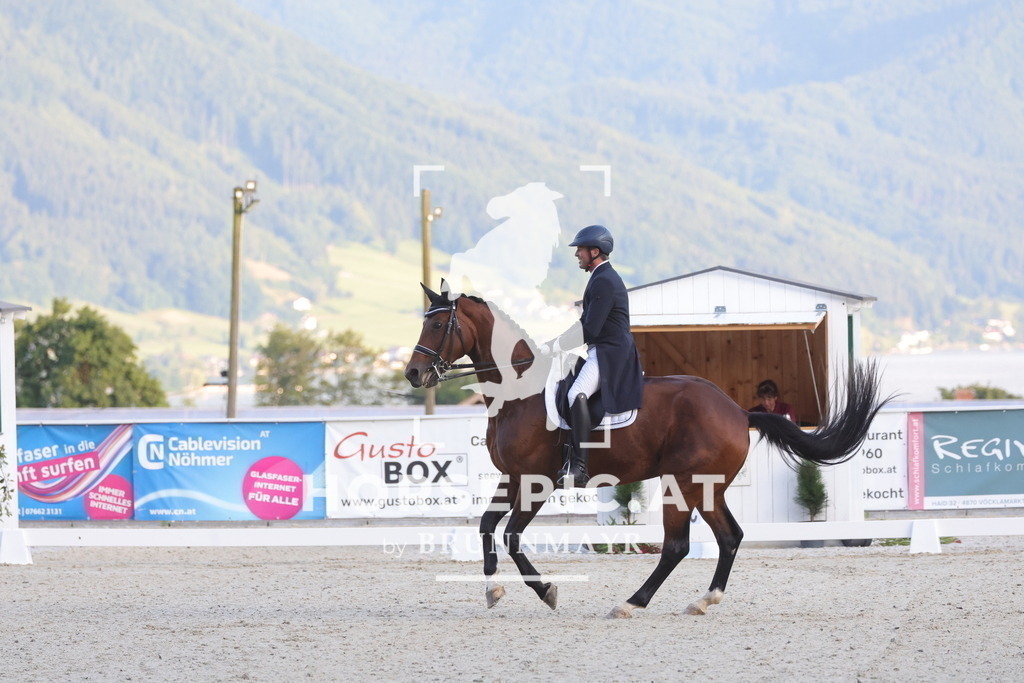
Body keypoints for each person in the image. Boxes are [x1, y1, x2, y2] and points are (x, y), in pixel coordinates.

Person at [545, 225, 644, 488]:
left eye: (580, 249)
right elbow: (584, 324)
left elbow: (590, 328)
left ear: (595, 251)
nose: (576, 254)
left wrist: (557, 345)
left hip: (611, 353)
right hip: (603, 349)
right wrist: (554, 344)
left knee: (575, 394)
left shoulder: (604, 280)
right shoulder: (600, 278)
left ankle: (579, 467)